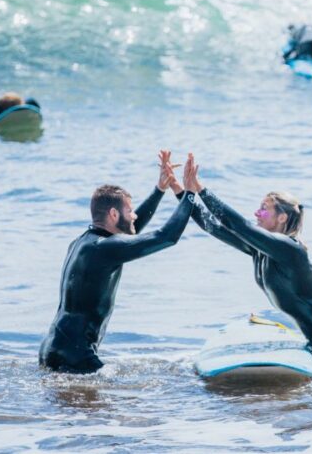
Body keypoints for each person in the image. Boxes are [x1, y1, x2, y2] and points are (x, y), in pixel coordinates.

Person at [170, 155, 312, 360]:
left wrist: (201, 189)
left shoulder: (290, 249)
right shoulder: (259, 250)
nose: (256, 213)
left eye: (263, 208)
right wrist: (180, 191)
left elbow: (238, 225)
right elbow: (212, 226)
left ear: (282, 217)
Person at [39, 151, 199, 374]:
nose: (134, 215)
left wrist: (160, 190)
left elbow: (131, 234)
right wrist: (190, 193)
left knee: (80, 406)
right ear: (114, 214)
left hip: (54, 346)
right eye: (129, 211)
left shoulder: (84, 243)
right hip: (76, 353)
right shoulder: (103, 248)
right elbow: (166, 237)